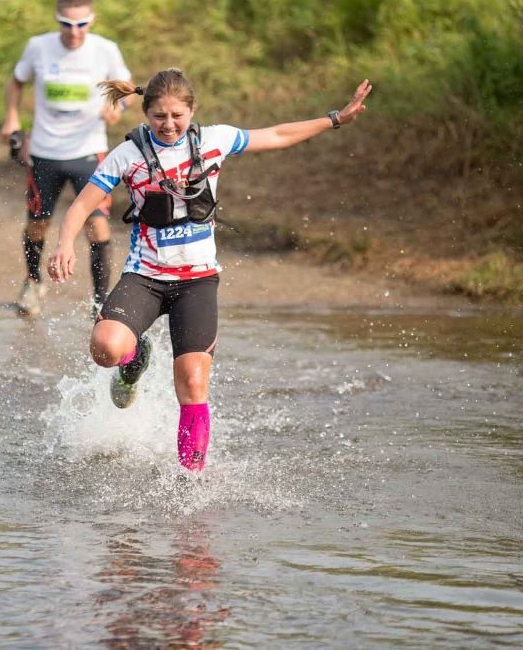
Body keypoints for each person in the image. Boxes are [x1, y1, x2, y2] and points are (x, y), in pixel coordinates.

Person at [47, 68, 373, 472]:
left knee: (193, 384)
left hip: (197, 281)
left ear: (192, 111)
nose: (168, 126)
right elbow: (81, 205)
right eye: (159, 117)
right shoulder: (127, 155)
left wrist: (335, 118)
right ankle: (135, 358)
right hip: (145, 276)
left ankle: (191, 482)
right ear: (146, 114)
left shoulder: (215, 139)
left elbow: (276, 134)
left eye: (177, 117)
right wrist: (64, 245)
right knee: (105, 348)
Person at [0, 0, 133, 318]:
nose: (74, 32)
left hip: (89, 152)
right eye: (67, 24)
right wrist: (12, 118)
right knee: (37, 225)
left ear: (92, 20)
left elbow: (127, 89)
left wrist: (117, 106)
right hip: (44, 152)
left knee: (98, 227)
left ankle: (100, 302)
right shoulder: (38, 46)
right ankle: (33, 283)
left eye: (82, 24)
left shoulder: (105, 50)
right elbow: (16, 83)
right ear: (57, 19)